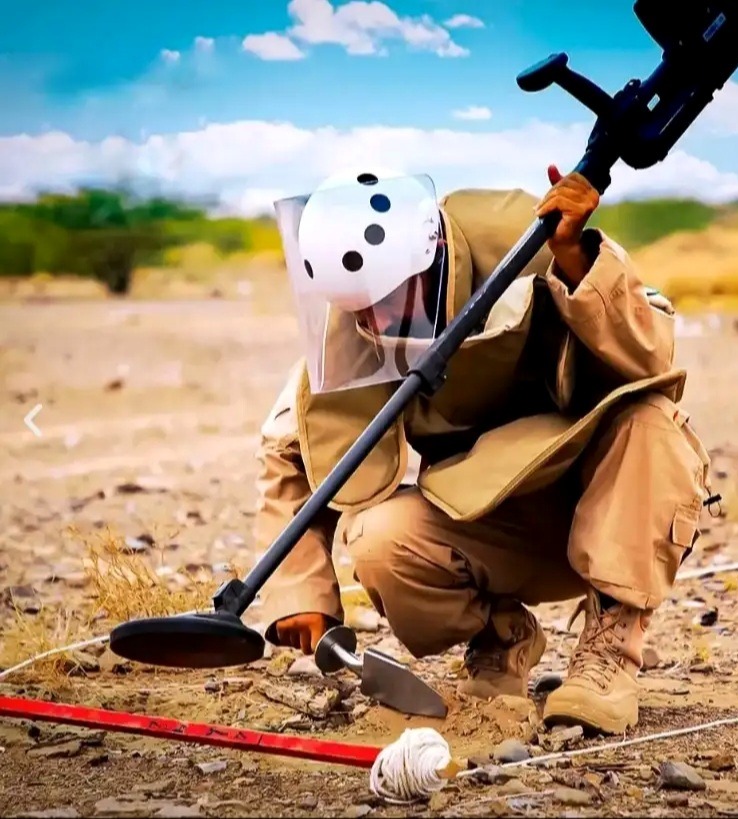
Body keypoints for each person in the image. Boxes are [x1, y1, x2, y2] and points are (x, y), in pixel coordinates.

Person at [255, 165, 713, 735]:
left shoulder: (537, 242)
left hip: (606, 497)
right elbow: (294, 449)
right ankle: (502, 636)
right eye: (360, 310)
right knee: (377, 539)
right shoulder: (357, 317)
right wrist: (301, 590)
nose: (376, 321)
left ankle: (607, 657)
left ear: (434, 252)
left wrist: (576, 260)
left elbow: (653, 359)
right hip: (494, 519)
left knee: (653, 422)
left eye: (389, 300)